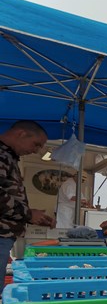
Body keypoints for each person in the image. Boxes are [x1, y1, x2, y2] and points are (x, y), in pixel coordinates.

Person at [0, 121, 55, 293]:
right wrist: (28, 214)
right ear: (21, 134)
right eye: (36, 144)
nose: (36, 150)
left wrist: (30, 215)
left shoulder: (9, 157)